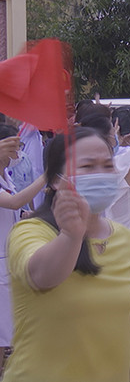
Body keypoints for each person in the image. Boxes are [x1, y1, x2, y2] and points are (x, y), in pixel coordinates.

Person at [4, 127, 130, 381]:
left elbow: (123, 322)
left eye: (107, 165)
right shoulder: (30, 232)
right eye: (87, 166)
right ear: (55, 180)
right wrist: (71, 236)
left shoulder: (123, 238)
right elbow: (42, 276)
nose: (100, 174)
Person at [0, 125, 46, 375]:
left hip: (9, 258)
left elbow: (16, 207)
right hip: (1, 263)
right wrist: (46, 176)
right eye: (12, 147)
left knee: (7, 332)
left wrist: (27, 215)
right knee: (2, 333)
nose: (18, 153)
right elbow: (13, 201)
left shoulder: (6, 174)